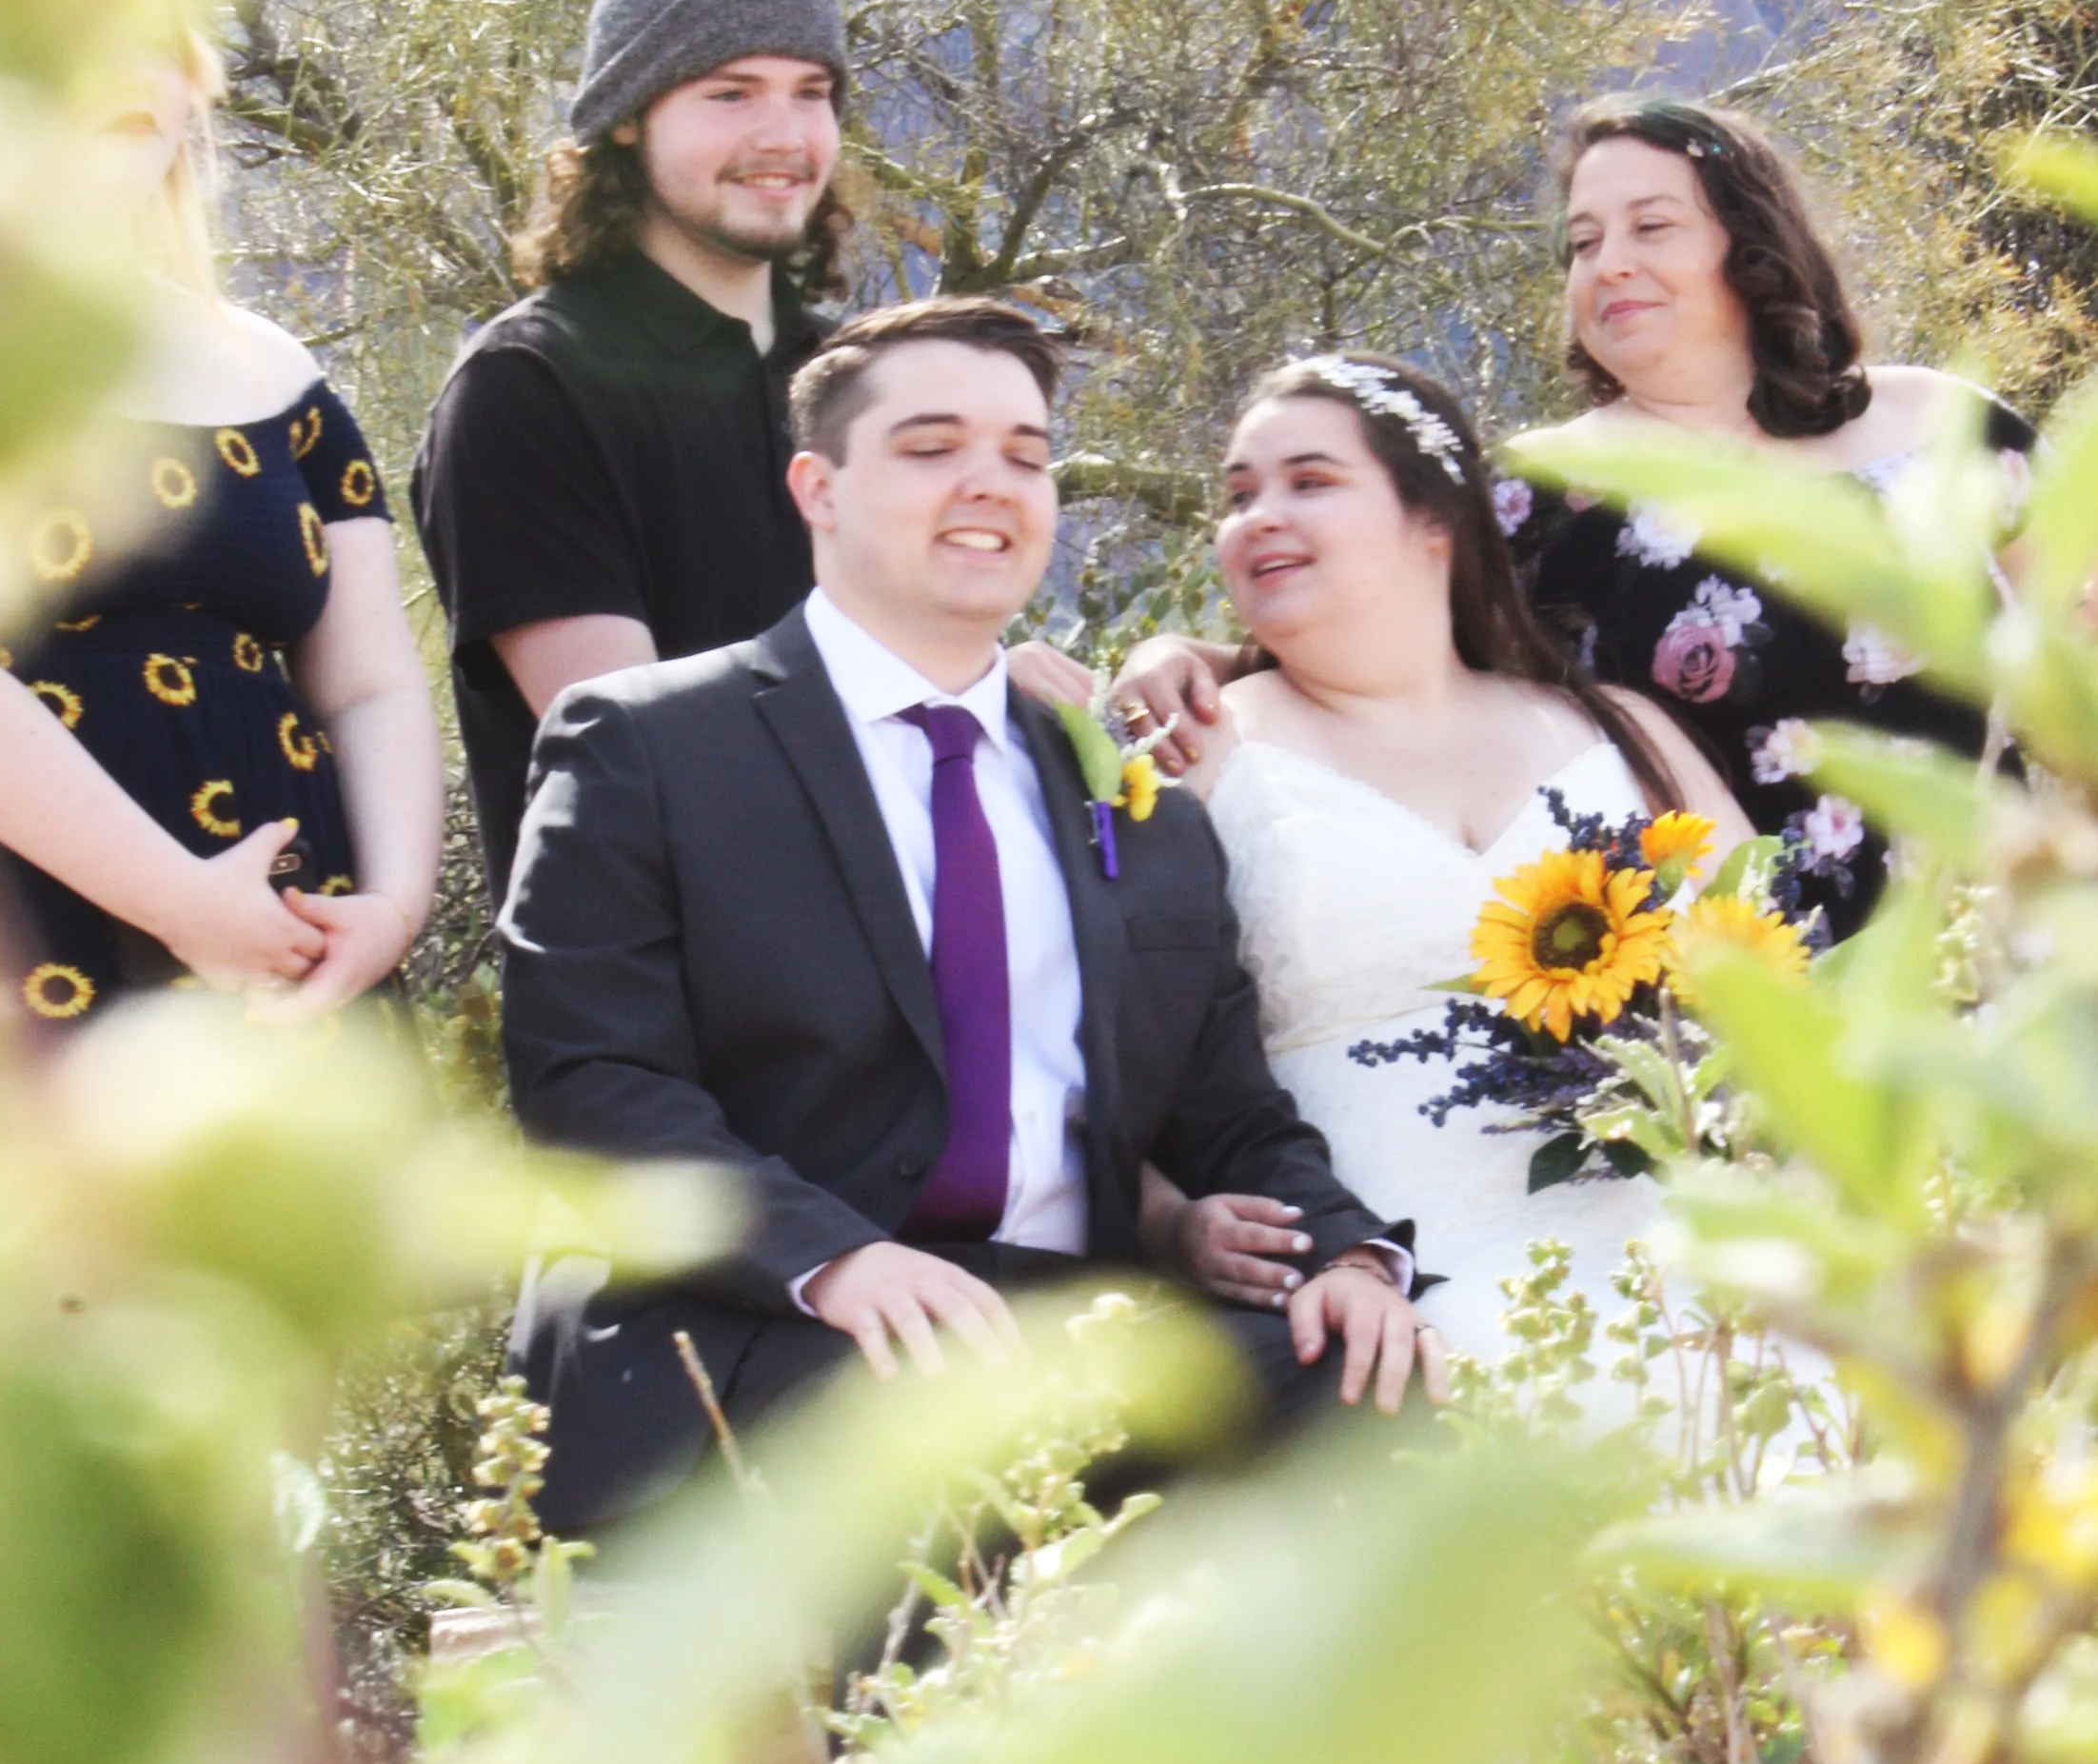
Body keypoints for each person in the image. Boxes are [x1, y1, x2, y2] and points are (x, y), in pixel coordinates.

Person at [498, 301, 1440, 1534]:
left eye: (1025, 453)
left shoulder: (1133, 797)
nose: (987, 485)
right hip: (763, 1318)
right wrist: (837, 1259)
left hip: (1063, 1321)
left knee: (1367, 1385)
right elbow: (593, 1081)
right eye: (932, 447)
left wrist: (1351, 1257)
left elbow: (1233, 1116)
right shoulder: (646, 742)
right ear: (818, 488)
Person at [1115, 103, 2034, 941]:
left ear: (1751, 243)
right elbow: (1378, 664)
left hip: (2020, 950)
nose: (1611, 263)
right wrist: (1184, 660)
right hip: (1766, 1013)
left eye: (1652, 227)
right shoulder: (1539, 496)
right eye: (1583, 243)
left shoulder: (1944, 426)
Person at [413, 0, 1091, 919]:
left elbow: (927, 670)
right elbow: (643, 758)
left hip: (925, 965)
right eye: (730, 93)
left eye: (810, 93)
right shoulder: (526, 388)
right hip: (673, 1016)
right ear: (628, 116)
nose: (782, 135)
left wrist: (1014, 697)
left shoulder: (860, 378)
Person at [1151, 353, 1744, 1366]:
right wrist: (1169, 1221)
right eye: (1238, 495)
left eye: (1310, 481)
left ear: (1437, 519)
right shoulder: (1189, 749)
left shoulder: (1617, 730)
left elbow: (1774, 974)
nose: (1258, 516)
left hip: (1694, 1261)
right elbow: (1094, 1064)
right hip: (1376, 1291)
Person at [0, 44, 444, 1030]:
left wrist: (390, 908)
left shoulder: (278, 374)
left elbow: (370, 684)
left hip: (297, 953)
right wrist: (180, 902)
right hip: (1, 947)